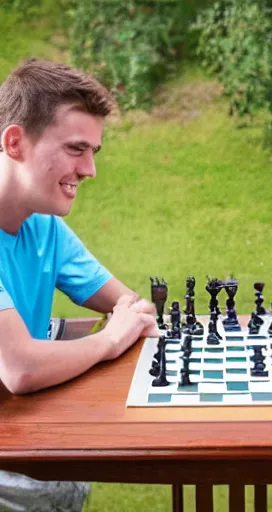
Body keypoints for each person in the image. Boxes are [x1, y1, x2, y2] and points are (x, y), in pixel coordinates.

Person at [0, 59, 160, 511]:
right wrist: (108, 340)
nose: (89, 170)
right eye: (75, 148)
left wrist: (125, 320)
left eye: (93, 151)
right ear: (15, 142)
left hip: (21, 433)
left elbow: (130, 305)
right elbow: (21, 369)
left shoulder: (42, 225)